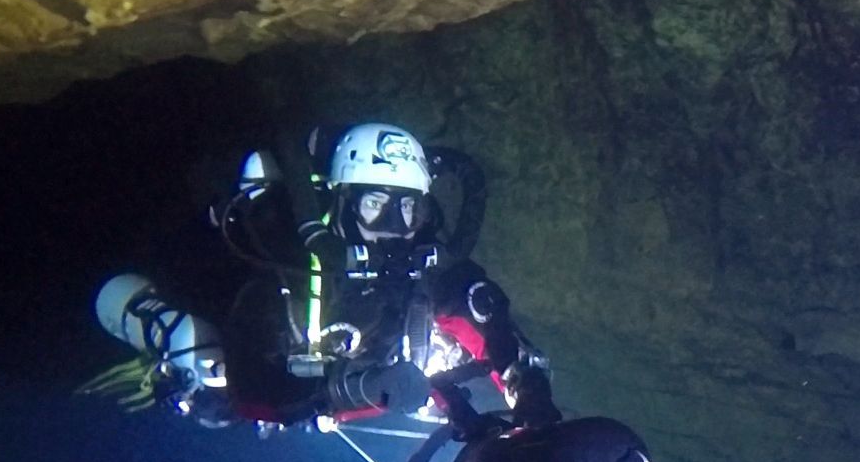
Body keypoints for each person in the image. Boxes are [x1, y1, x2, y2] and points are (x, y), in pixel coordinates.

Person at [92, 121, 560, 434]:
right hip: (249, 353)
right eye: (375, 206)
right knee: (205, 367)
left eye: (408, 208)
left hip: (359, 379)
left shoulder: (425, 264)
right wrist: (363, 390)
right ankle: (155, 340)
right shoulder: (289, 263)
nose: (394, 229)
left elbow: (487, 319)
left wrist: (529, 395)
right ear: (339, 204)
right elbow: (260, 393)